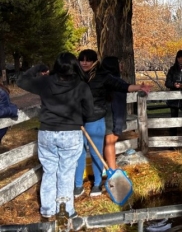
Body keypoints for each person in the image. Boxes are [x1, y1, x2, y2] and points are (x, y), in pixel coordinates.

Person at [16, 53, 94, 219]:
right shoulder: (82, 86)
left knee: (49, 171)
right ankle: (65, 210)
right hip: (71, 133)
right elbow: (89, 112)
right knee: (66, 172)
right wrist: (78, 116)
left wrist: (39, 67)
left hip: (47, 132)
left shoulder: (45, 82)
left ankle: (48, 209)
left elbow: (21, 80)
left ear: (56, 67)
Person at [74, 49, 150, 198]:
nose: (84, 63)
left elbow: (123, 86)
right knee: (79, 153)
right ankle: (78, 186)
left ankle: (97, 184)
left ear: (95, 62)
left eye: (88, 60)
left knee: (96, 153)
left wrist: (139, 87)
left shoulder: (104, 77)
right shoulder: (76, 76)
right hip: (78, 121)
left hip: (95, 119)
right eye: (81, 60)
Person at [101, 56, 127, 170]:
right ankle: (112, 170)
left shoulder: (104, 80)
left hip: (110, 114)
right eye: (119, 63)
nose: (121, 66)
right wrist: (118, 124)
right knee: (110, 141)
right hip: (111, 114)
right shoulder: (113, 82)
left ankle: (107, 166)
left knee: (108, 142)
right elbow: (117, 103)